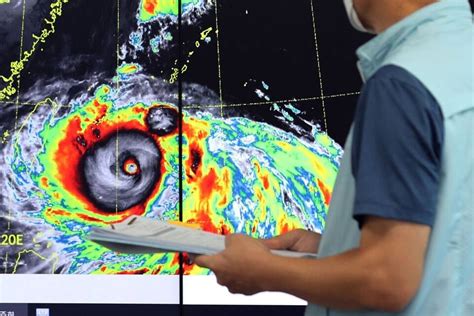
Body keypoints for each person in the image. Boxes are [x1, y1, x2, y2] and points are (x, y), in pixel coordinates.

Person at [195, 0, 473, 314]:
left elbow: (386, 280)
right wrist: (337, 247)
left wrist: (263, 271)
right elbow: (453, 237)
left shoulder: (401, 86)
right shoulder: (463, 58)